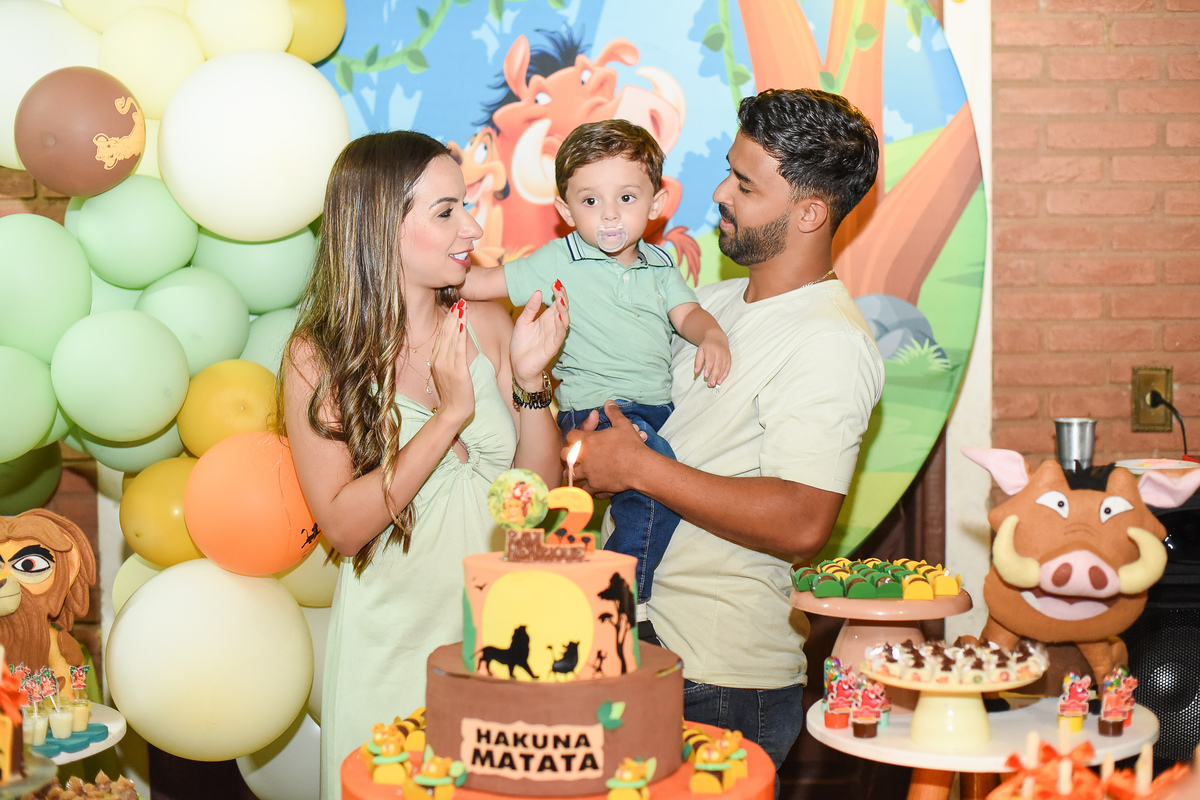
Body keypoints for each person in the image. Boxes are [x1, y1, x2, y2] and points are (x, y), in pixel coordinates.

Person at [565, 89, 885, 782]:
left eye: (745, 183)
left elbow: (803, 521)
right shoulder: (706, 306)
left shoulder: (830, 340)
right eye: (728, 173)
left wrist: (636, 467)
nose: (719, 193)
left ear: (810, 212)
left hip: (721, 680)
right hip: (634, 644)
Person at [278, 131, 569, 800]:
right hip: (393, 653)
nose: (472, 227)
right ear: (381, 225)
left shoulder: (487, 323)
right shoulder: (316, 357)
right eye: (446, 212)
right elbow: (343, 526)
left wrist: (531, 385)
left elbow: (537, 499)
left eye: (465, 206)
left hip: (503, 643)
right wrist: (448, 416)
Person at [461, 119, 730, 612]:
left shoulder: (660, 265)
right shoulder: (558, 260)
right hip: (598, 411)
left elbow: (687, 313)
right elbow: (483, 283)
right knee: (653, 494)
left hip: (656, 411)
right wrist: (431, 271)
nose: (609, 214)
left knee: (672, 490)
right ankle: (619, 600)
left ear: (656, 203)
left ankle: (613, 587)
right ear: (565, 210)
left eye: (626, 198)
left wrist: (711, 334)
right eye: (590, 201)